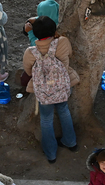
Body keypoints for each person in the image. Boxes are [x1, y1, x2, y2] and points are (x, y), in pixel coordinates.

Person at [22, 16, 80, 163]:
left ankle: (51, 154)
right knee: (64, 110)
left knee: (46, 119)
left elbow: (28, 71)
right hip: (62, 87)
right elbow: (70, 55)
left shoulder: (30, 52)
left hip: (44, 93)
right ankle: (71, 142)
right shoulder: (63, 42)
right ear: (54, 30)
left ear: (35, 34)